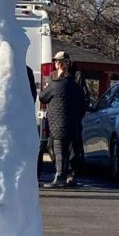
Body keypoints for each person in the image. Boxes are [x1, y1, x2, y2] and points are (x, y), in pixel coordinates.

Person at [39, 51, 87, 186]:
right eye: (57, 62)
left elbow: (83, 100)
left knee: (71, 150)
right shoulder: (52, 77)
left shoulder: (76, 76)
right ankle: (61, 172)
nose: (59, 64)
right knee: (54, 147)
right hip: (57, 121)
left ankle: (69, 175)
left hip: (71, 120)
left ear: (68, 62)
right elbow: (44, 96)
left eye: (62, 62)